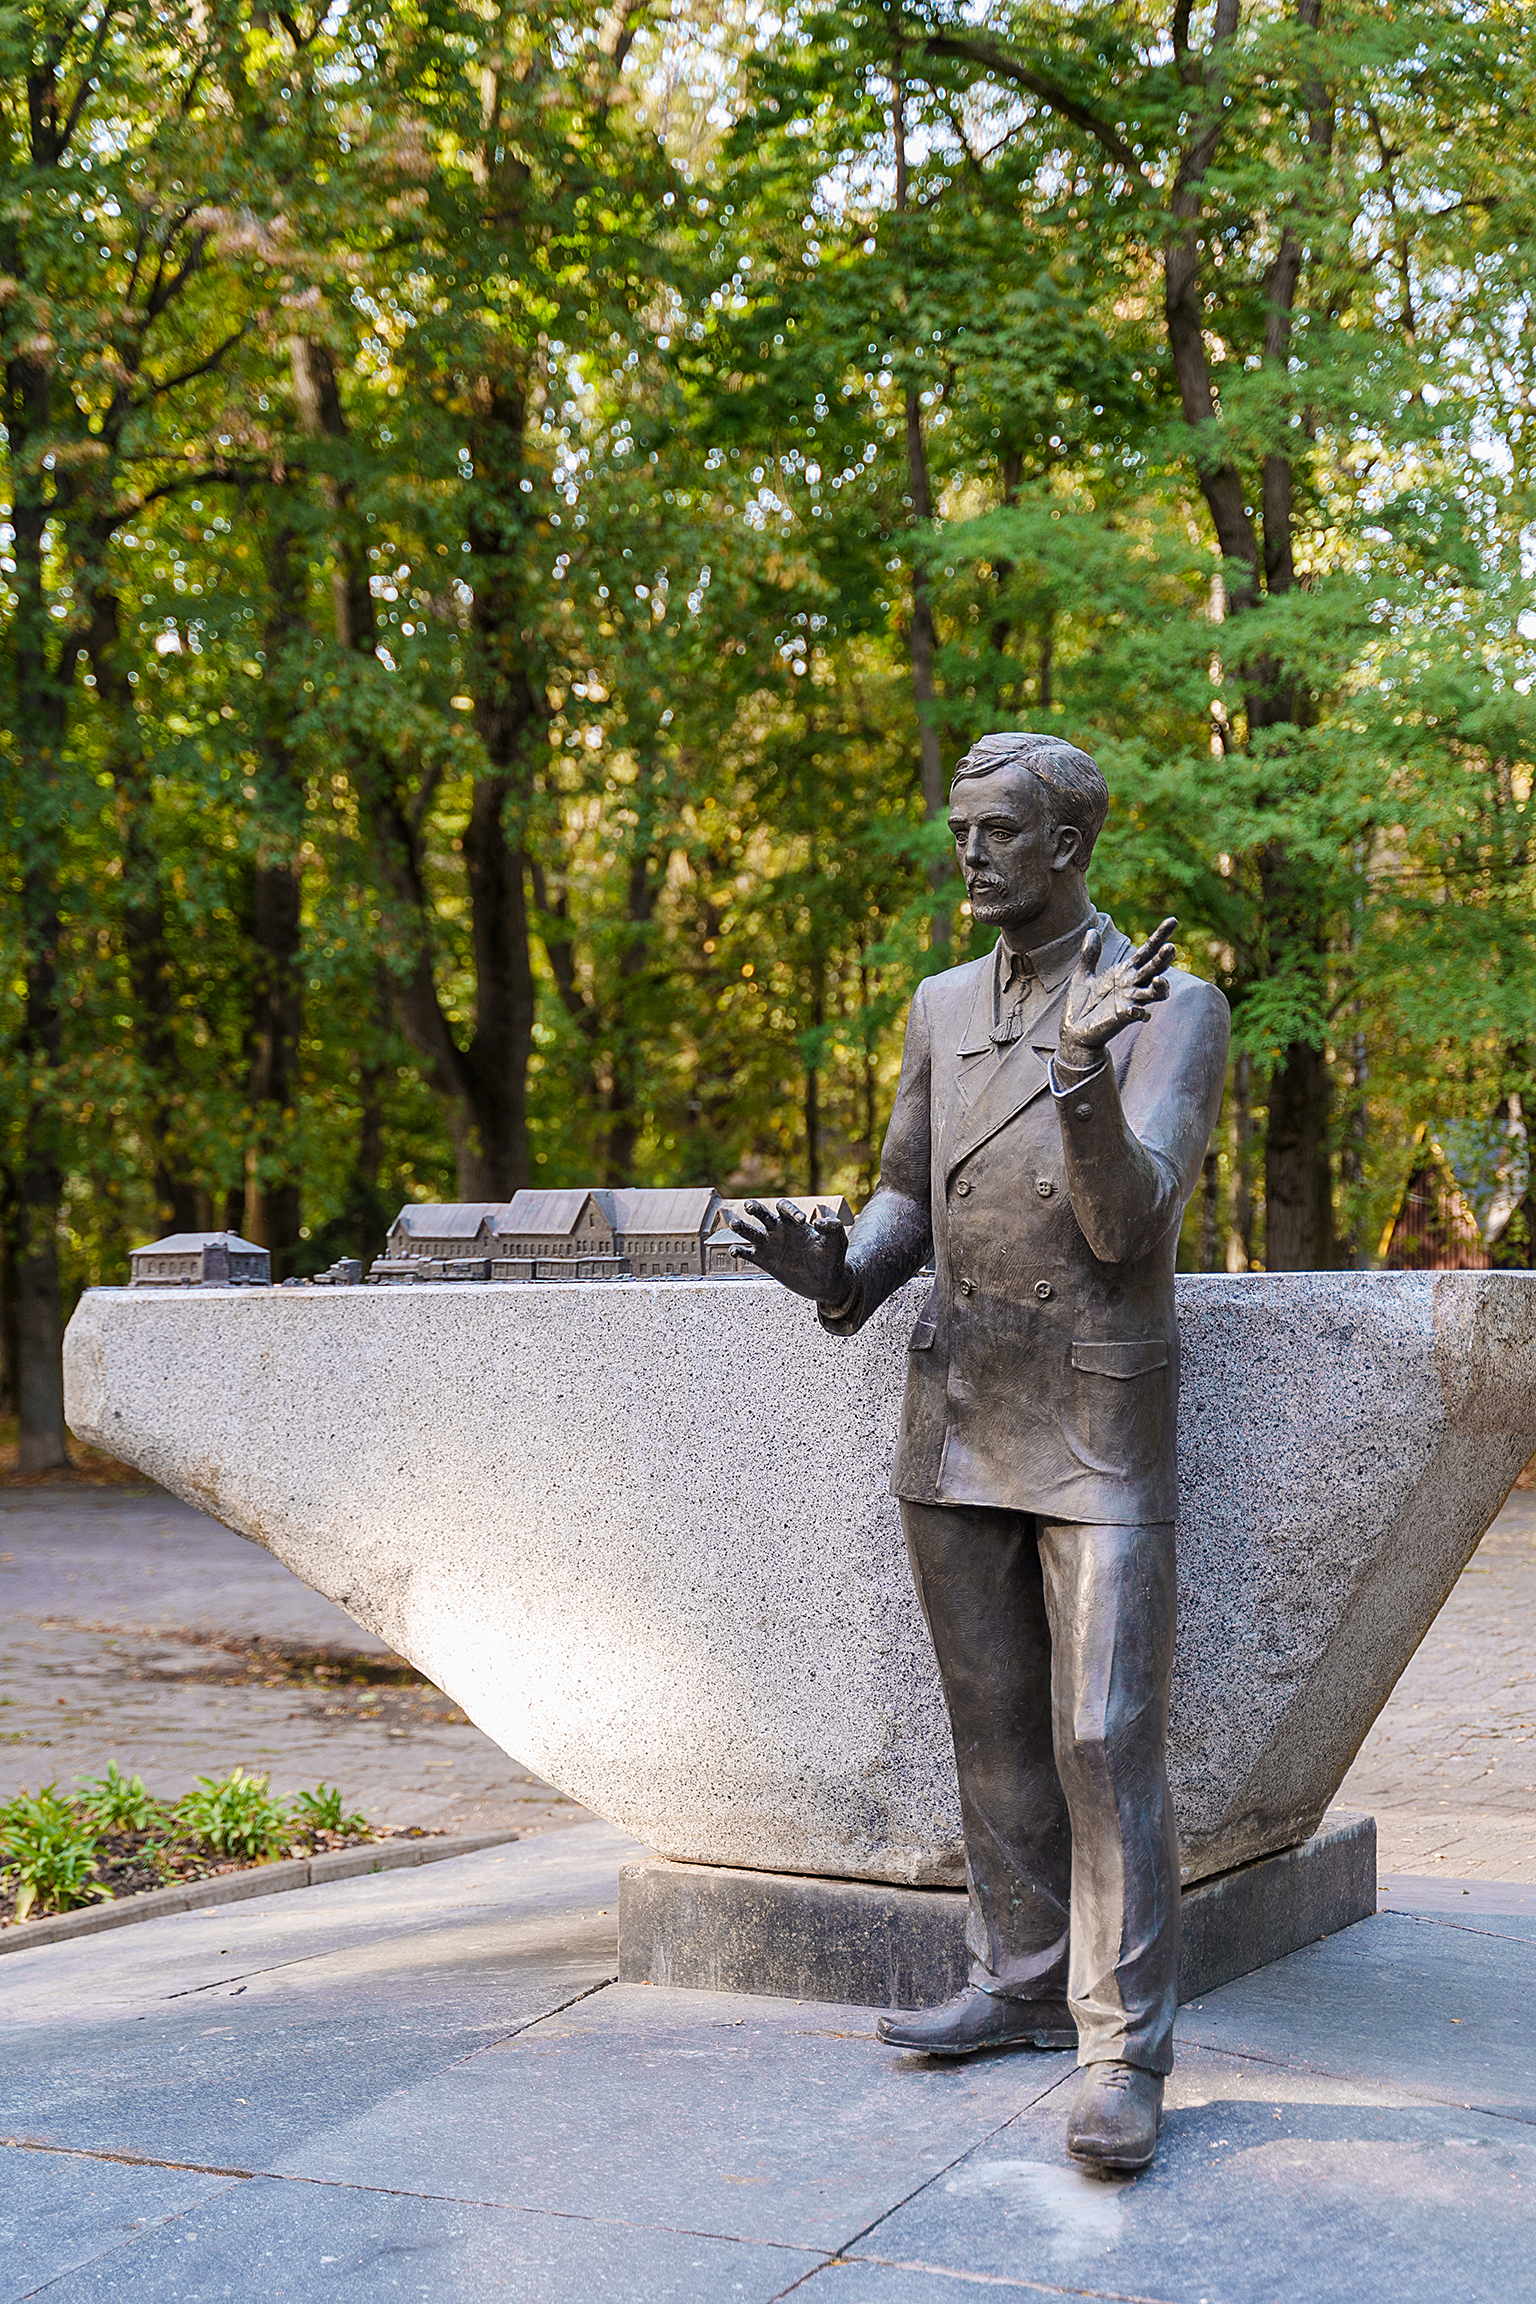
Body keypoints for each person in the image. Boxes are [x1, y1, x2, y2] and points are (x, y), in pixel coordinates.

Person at [733, 730, 1230, 2176]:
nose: (968, 856)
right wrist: (837, 1273)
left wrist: (1081, 1068)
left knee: (1103, 1732)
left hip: (1095, 1416)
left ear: (1069, 846)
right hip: (958, 1411)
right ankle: (1017, 1978)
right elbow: (906, 1199)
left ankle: (1124, 2051)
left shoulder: (1170, 1006)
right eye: (961, 830)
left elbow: (1128, 1225)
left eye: (997, 832)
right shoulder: (941, 1005)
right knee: (997, 1723)